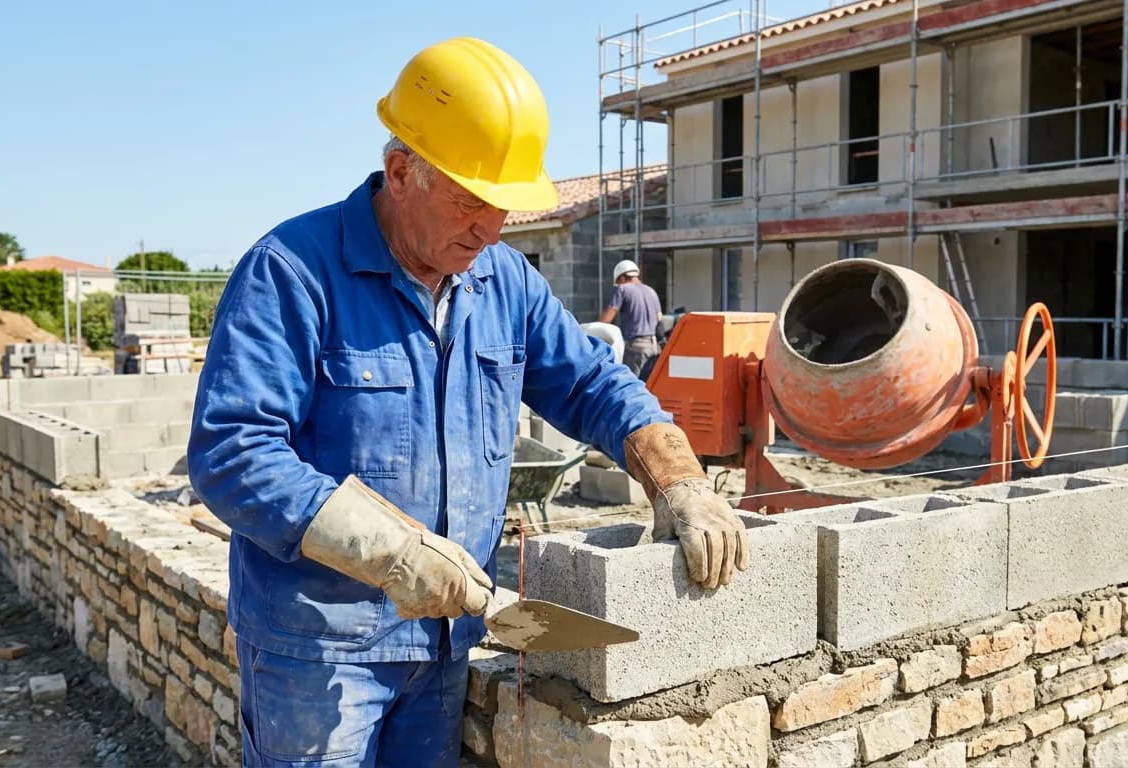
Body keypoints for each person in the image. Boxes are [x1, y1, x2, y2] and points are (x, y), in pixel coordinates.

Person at [186, 37, 749, 768]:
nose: (490, 230)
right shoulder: (293, 272)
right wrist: (392, 552)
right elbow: (233, 454)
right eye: (470, 203)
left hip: (445, 644)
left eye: (504, 209)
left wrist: (680, 479)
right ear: (400, 172)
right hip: (318, 649)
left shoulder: (503, 283)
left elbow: (592, 384)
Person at [598, 259, 663, 377]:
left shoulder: (623, 289)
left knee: (630, 387)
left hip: (635, 349)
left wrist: (592, 331)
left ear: (622, 277)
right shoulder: (651, 291)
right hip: (654, 348)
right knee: (648, 386)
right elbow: (659, 319)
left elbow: (607, 319)